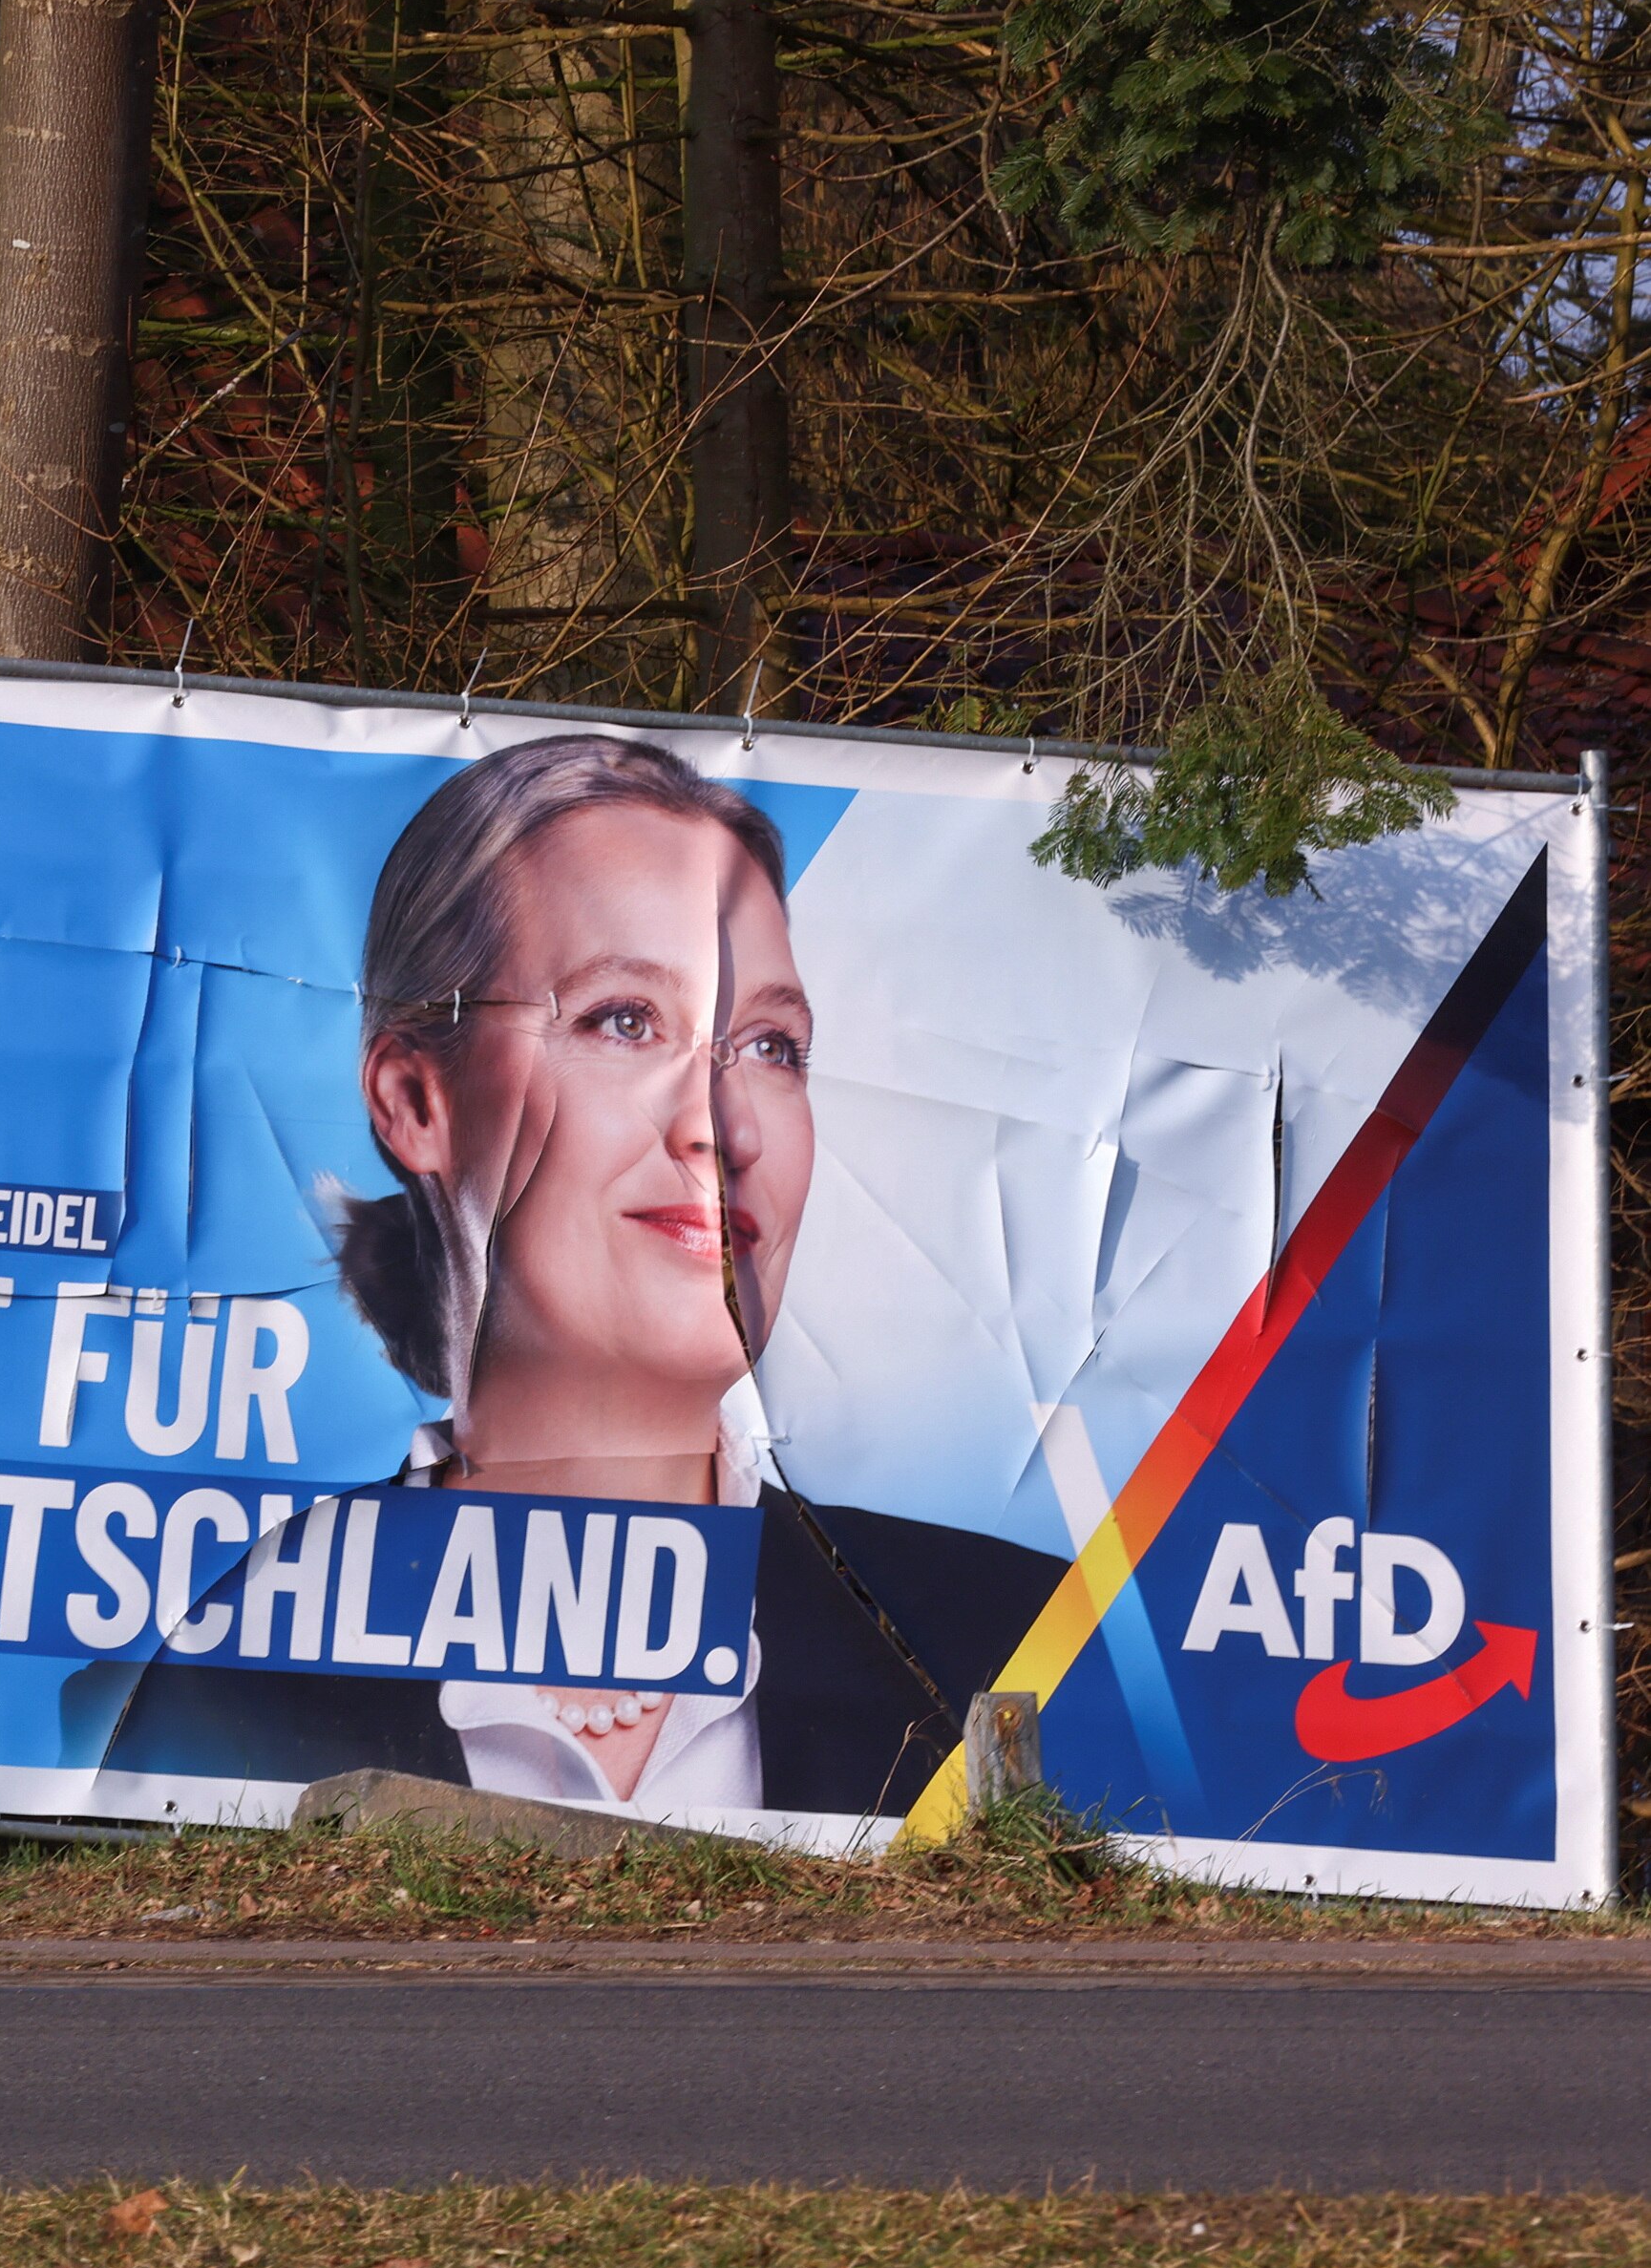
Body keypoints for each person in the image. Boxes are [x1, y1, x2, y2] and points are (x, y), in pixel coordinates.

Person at [77, 733, 1057, 1817]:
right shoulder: (226, 1671)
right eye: (624, 1021)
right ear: (415, 1100)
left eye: (769, 1046)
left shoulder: (1018, 1641)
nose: (723, 1127)